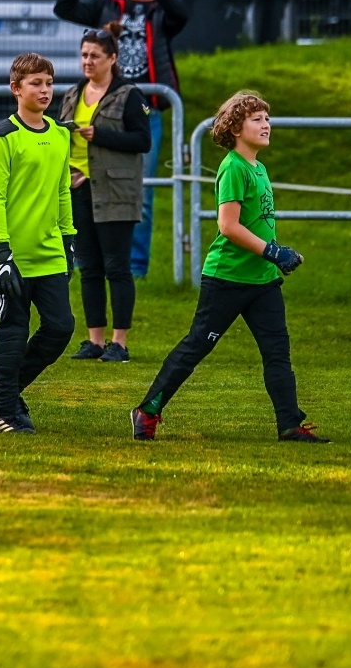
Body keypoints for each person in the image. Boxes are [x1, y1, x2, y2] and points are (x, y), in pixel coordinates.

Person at [130, 91, 328, 444]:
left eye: (267, 118)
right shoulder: (233, 167)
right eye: (257, 119)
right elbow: (228, 226)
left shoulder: (259, 167)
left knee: (277, 353)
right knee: (197, 346)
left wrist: (272, 257)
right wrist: (273, 251)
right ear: (236, 128)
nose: (266, 125)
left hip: (263, 281)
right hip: (227, 278)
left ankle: (289, 425)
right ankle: (148, 409)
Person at [53, 0, 189, 279]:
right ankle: (91, 265)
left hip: (143, 110)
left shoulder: (161, 12)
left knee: (139, 191)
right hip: (100, 109)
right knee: (89, 186)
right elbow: (64, 7)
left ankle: (135, 269)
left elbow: (181, 15)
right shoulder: (107, 7)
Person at [0, 52, 76, 434]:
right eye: (36, 83)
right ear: (15, 89)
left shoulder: (60, 134)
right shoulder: (2, 137)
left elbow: (62, 192)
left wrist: (69, 240)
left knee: (61, 328)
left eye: (49, 83)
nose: (44, 90)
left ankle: (6, 393)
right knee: (13, 331)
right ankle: (5, 413)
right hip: (11, 259)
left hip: (50, 253)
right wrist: (2, 252)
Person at [58, 23, 151, 363]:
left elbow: (143, 141)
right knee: (89, 268)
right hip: (78, 190)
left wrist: (101, 135)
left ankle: (119, 343)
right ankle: (94, 340)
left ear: (112, 58)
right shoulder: (71, 94)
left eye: (95, 56)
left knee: (117, 267)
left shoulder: (129, 95)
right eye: (83, 55)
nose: (87, 61)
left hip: (114, 192)